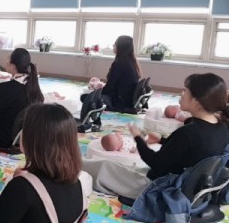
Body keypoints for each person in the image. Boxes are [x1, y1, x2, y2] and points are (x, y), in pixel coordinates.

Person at [83, 73, 229, 199]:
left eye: (185, 91)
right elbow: (189, 150)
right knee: (115, 166)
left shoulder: (188, 133)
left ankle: (69, 166)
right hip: (186, 185)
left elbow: (156, 164)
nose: (181, 94)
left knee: (103, 167)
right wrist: (161, 140)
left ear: (197, 100)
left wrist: (138, 138)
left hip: (162, 187)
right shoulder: (221, 128)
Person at [101, 35, 141, 112]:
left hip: (119, 102)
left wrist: (98, 92)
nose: (113, 46)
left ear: (121, 47)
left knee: (85, 97)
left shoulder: (119, 63)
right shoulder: (132, 62)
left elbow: (109, 87)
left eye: (115, 44)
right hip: (127, 99)